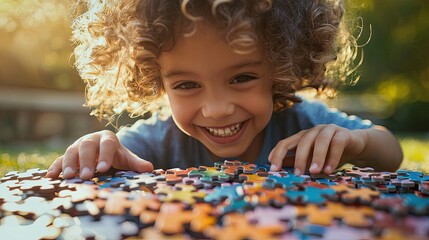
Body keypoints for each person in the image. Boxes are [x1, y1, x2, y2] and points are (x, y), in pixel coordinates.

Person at [46, 0, 403, 180]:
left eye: (241, 78)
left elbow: (390, 152)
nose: (216, 109)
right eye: (187, 85)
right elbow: (117, 151)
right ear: (155, 77)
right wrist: (100, 147)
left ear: (280, 68)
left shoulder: (303, 121)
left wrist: (355, 142)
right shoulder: (158, 141)